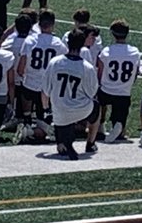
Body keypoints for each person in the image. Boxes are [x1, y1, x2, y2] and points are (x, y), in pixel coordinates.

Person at [43, 29, 101, 159]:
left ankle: (63, 142)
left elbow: (45, 91)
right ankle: (90, 143)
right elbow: (92, 93)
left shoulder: (54, 62)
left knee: (62, 139)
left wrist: (47, 110)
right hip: (80, 109)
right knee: (96, 107)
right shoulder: (87, 67)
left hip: (59, 110)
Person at [15, 9, 66, 140]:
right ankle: (36, 128)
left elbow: (21, 67)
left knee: (25, 92)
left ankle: (26, 122)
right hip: (48, 87)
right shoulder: (58, 43)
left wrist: (23, 75)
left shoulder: (30, 40)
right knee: (44, 123)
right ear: (53, 24)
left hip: (30, 82)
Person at [96, 20, 142, 142]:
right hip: (123, 91)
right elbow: (136, 72)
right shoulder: (135, 52)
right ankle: (120, 126)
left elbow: (100, 72)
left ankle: (99, 125)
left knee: (99, 102)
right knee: (121, 110)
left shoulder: (106, 51)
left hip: (106, 88)